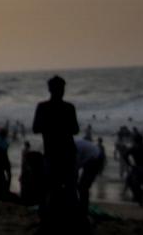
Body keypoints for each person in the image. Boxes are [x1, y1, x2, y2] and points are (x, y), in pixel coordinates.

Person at [32, 75, 79, 224]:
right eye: (62, 88)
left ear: (49, 89)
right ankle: (70, 219)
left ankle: (49, 219)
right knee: (69, 187)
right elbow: (75, 129)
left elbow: (35, 128)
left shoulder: (42, 107)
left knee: (51, 187)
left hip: (52, 152)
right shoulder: (69, 107)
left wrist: (50, 127)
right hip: (67, 152)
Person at [74, 136, 105, 216]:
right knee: (83, 186)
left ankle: (83, 208)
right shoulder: (77, 144)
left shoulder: (76, 148)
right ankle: (83, 206)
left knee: (83, 186)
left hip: (94, 160)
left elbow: (76, 165)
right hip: (95, 158)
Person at [125, 133, 143, 208]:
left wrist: (129, 164)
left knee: (134, 184)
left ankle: (141, 202)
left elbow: (125, 155)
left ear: (135, 140)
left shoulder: (134, 147)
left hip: (137, 168)